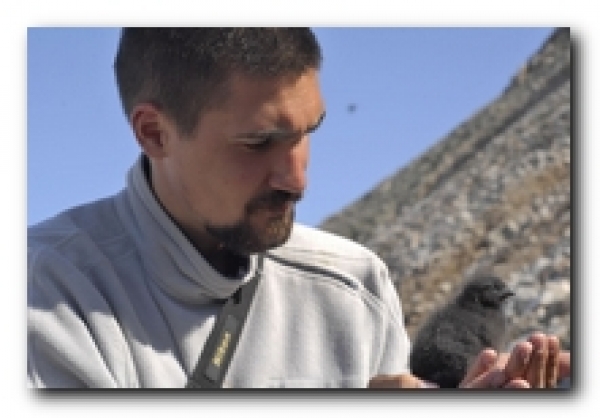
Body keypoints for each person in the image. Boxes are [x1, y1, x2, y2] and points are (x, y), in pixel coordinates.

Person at [27, 27, 570, 389]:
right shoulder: (43, 293)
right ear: (154, 132)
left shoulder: (355, 286)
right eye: (259, 142)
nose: (298, 180)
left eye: (308, 132)